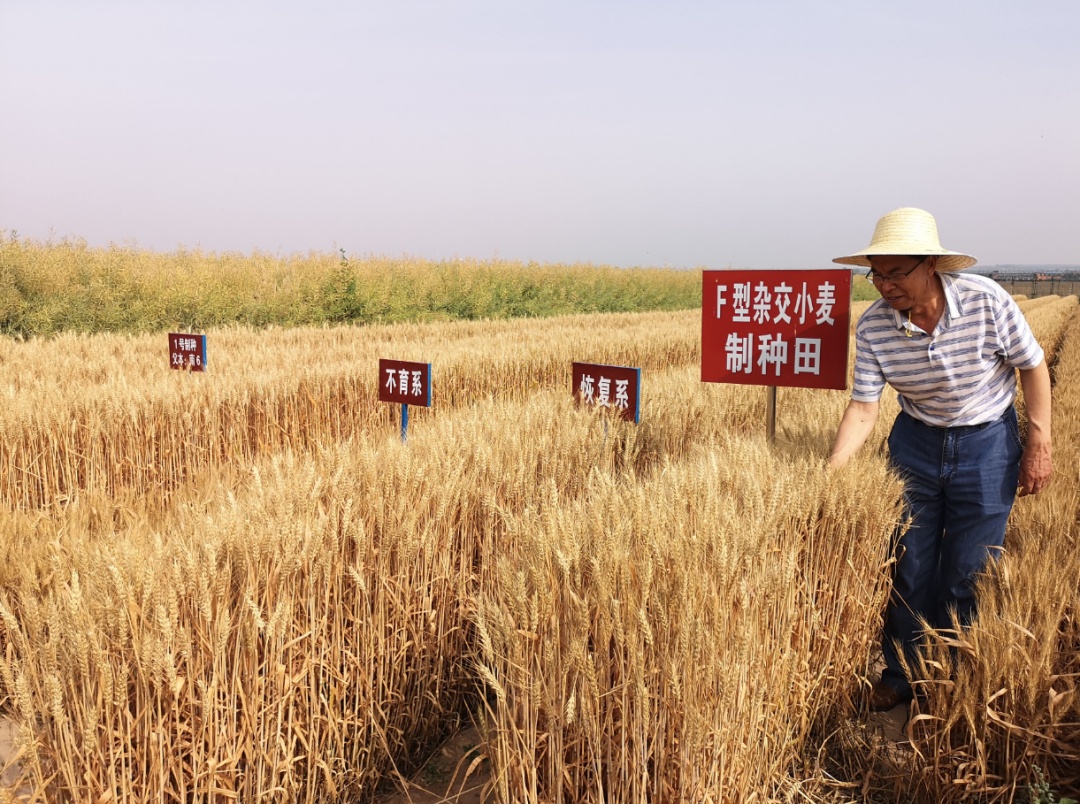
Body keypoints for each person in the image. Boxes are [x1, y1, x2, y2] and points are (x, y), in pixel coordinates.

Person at [827, 207, 1053, 712]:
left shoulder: (985, 300)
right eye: (877, 274)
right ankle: (901, 672)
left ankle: (950, 677)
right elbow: (865, 408)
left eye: (897, 272)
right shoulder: (874, 329)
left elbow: (1033, 367)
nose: (885, 285)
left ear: (932, 265)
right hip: (916, 442)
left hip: (987, 441)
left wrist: (1038, 444)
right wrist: (831, 478)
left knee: (968, 569)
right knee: (910, 564)